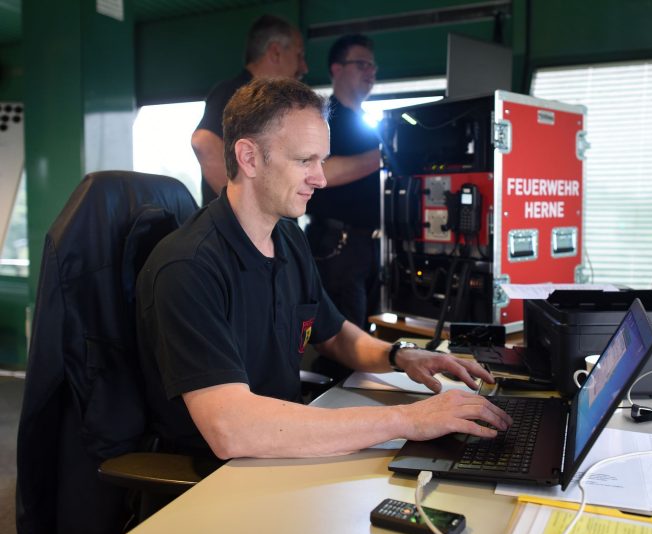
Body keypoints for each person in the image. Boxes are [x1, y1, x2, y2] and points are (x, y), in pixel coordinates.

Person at [136, 78, 511, 460]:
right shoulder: (188, 266)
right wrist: (408, 419)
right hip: (216, 479)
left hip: (287, 448)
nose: (322, 178)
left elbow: (334, 335)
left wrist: (402, 356)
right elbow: (232, 429)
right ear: (248, 157)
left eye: (322, 160)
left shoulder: (289, 239)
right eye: (304, 161)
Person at [305, 34, 382, 380]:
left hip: (371, 245)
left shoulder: (367, 123)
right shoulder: (323, 119)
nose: (371, 71)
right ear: (337, 69)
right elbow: (321, 173)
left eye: (373, 66)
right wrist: (384, 156)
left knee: (367, 333)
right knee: (340, 342)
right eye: (362, 64)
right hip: (336, 245)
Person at [191, 14, 308, 206]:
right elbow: (204, 144)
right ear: (276, 52)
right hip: (240, 234)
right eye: (299, 55)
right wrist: (252, 209)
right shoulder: (233, 92)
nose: (305, 66)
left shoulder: (277, 102)